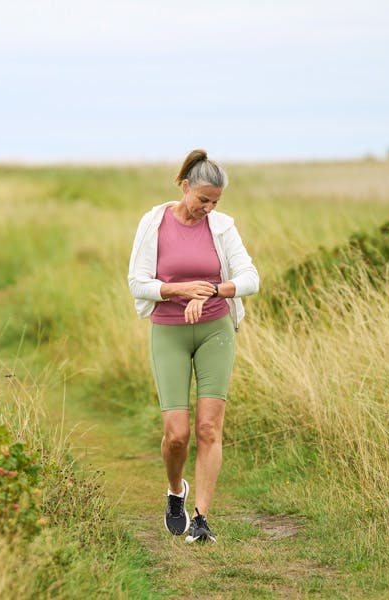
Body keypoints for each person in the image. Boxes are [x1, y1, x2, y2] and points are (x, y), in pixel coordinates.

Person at [127, 149, 259, 541]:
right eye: (203, 200)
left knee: (208, 428)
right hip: (169, 331)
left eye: (215, 202)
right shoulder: (154, 223)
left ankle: (201, 519)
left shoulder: (222, 227)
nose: (208, 208)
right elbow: (137, 283)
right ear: (185, 187)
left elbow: (251, 278)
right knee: (177, 435)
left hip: (216, 329)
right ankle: (175, 491)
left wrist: (214, 290)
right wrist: (180, 289)